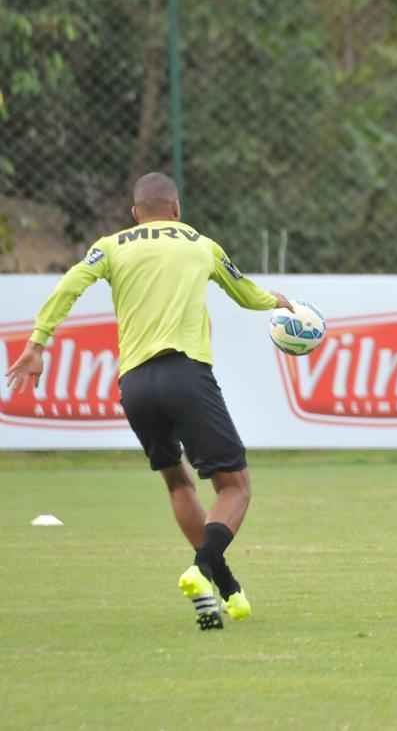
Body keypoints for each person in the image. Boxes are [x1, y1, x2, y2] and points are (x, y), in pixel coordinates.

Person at [4, 172, 292, 631]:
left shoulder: (112, 245)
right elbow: (245, 293)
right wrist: (278, 302)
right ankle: (201, 570)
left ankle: (229, 590)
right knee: (234, 487)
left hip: (135, 385)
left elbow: (68, 287)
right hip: (186, 375)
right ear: (176, 209)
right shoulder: (201, 244)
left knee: (179, 484)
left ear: (136, 213)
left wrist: (38, 345)